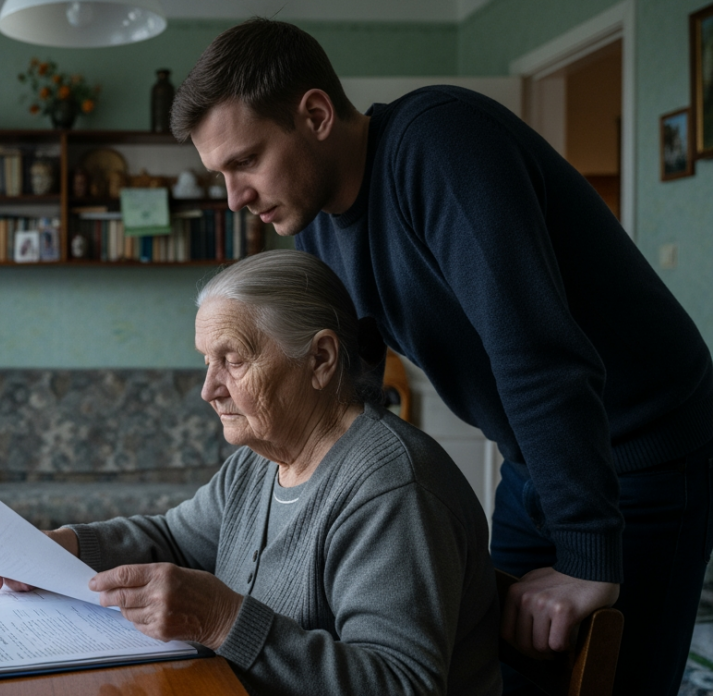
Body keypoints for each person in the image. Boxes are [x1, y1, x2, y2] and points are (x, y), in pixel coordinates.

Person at [170, 18, 713, 695]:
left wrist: (588, 557)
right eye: (220, 173)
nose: (234, 197)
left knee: (614, 682)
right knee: (498, 671)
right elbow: (343, 400)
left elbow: (534, 353)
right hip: (533, 458)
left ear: (313, 114)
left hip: (648, 446)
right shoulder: (314, 235)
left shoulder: (440, 144)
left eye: (245, 160)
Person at [0, 250, 501, 695]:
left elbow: (400, 684)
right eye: (207, 362)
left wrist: (223, 619)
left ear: (320, 359)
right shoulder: (259, 462)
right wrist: (67, 546)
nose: (208, 389)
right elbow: (174, 538)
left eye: (232, 360)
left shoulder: (392, 491)